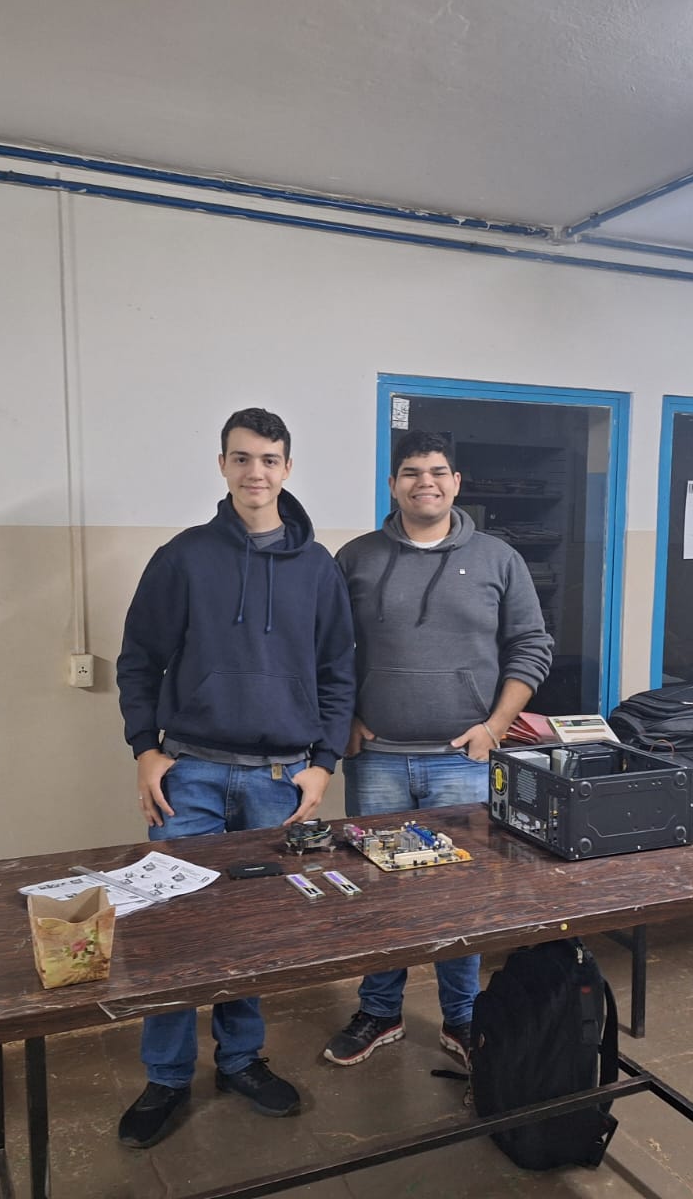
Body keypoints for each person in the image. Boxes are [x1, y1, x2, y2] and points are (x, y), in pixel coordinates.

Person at [115, 407, 355, 1148]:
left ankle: (241, 1060)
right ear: (222, 465)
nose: (256, 472)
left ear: (288, 468)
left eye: (269, 459)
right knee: (171, 929)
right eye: (242, 458)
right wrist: (144, 748)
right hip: (188, 775)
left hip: (277, 780)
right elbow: (138, 659)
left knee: (250, 934)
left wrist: (322, 766)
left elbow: (339, 672)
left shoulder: (318, 568)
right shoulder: (184, 558)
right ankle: (166, 1076)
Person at [323, 429, 552, 1068]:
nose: (425, 482)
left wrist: (495, 726)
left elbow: (531, 645)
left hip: (463, 759)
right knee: (379, 890)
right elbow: (327, 649)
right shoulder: (356, 558)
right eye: (411, 472)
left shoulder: (498, 558)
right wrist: (345, 719)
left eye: (437, 471)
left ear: (456, 483)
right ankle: (380, 1010)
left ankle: (463, 1017)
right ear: (393, 484)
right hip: (378, 760)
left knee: (460, 895)